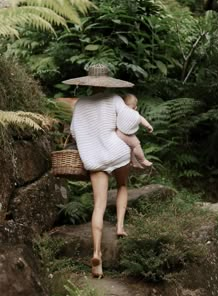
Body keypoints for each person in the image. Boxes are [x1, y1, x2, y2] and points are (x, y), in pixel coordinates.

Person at [63, 64, 142, 278]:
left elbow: (74, 132)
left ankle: (96, 254)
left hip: (94, 157)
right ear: (107, 82)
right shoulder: (115, 99)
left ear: (89, 82)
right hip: (117, 152)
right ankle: (119, 226)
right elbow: (127, 125)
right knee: (123, 185)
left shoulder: (80, 104)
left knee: (98, 204)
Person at [117, 93, 153, 168]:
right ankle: (142, 160)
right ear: (134, 106)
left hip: (118, 132)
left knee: (130, 148)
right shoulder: (134, 113)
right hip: (127, 135)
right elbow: (141, 119)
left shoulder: (119, 109)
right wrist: (148, 126)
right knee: (136, 145)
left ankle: (133, 162)